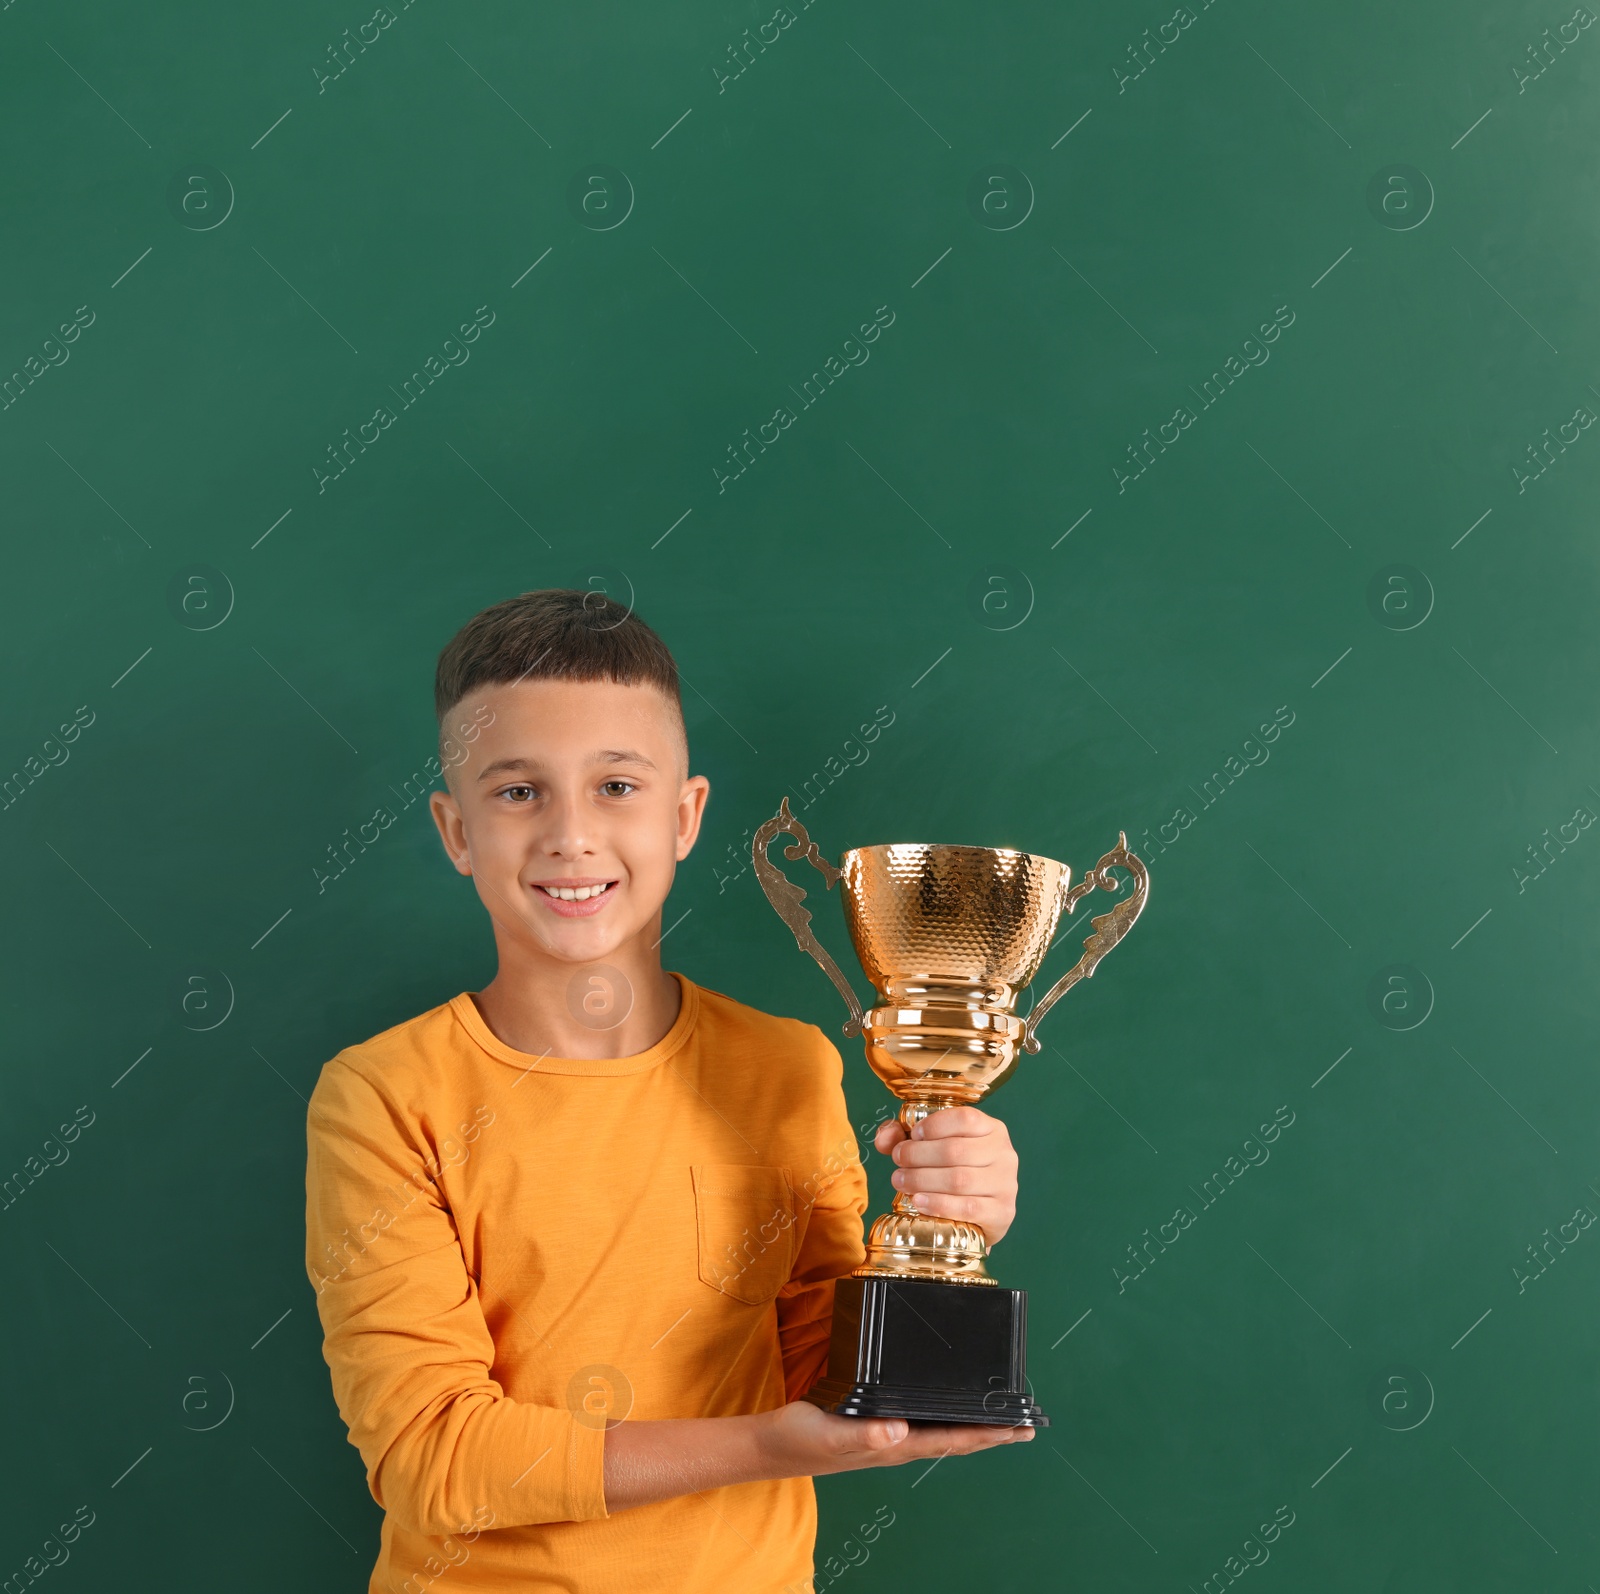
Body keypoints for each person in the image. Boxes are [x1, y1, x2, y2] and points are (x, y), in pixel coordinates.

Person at [304, 588, 1031, 1593]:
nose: (569, 836)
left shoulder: (789, 1065)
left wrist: (950, 1221)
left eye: (615, 786)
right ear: (455, 829)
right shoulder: (382, 1096)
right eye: (518, 792)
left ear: (684, 815)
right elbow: (431, 1459)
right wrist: (766, 1450)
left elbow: (823, 1368)